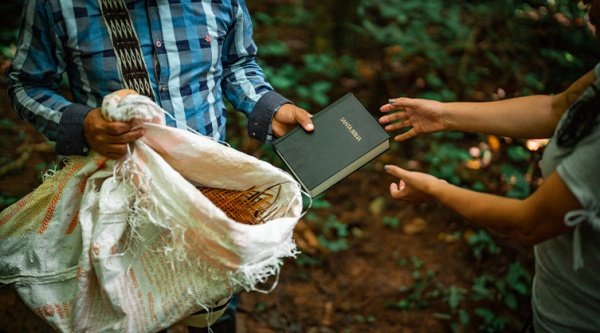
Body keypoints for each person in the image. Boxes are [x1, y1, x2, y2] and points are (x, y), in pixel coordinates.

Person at [8, 0, 314, 332]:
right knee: (131, 312)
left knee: (214, 313)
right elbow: (27, 84)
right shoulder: (57, 5)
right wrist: (82, 125)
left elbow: (236, 64)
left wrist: (269, 107)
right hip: (122, 202)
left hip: (209, 196)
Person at [379, 1, 600, 332]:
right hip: (552, 307)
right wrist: (443, 115)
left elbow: (529, 223)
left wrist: (437, 190)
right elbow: (556, 109)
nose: (588, 10)